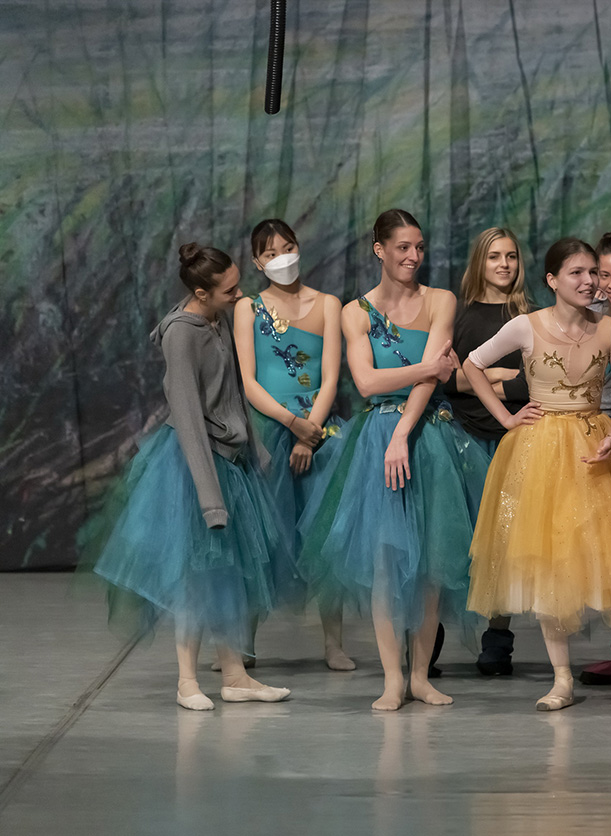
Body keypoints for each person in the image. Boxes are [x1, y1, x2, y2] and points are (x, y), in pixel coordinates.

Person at [462, 237, 611, 713]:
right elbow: (473, 363)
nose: (591, 281)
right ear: (552, 280)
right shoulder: (526, 326)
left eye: (594, 272)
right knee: (552, 559)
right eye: (578, 273)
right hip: (542, 450)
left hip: (598, 442)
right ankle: (562, 678)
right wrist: (506, 418)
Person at [82, 243, 293, 710]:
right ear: (202, 293)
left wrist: (254, 448)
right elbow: (188, 415)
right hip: (195, 466)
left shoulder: (217, 319)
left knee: (228, 573)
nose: (239, 295)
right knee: (195, 574)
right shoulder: (181, 334)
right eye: (230, 290)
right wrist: (209, 499)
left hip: (231, 460)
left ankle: (235, 675)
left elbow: (232, 391)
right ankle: (186, 681)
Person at [298, 209, 484, 711]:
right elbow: (367, 383)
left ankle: (420, 676)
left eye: (419, 247)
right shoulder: (355, 312)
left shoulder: (441, 301)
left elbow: (430, 382)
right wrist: (427, 369)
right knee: (384, 563)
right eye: (403, 247)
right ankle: (392, 680)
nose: (413, 256)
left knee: (430, 567)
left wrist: (404, 430)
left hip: (425, 436)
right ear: (379, 249)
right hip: (376, 438)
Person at [231, 218, 354, 672]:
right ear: (256, 262)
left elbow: (330, 377)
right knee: (261, 537)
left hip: (321, 434)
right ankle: (244, 641)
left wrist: (310, 430)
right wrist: (290, 423)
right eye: (270, 253)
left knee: (326, 537)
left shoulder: (328, 304)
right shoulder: (247, 309)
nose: (281, 258)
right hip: (267, 432)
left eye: (287, 248)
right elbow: (248, 382)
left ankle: (334, 643)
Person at [441, 227, 533, 677]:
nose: (504, 264)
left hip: (516, 439)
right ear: (480, 262)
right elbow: (449, 380)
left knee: (506, 542)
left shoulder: (531, 316)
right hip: (466, 437)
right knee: (459, 539)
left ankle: (498, 639)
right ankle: (431, 636)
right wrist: (495, 373)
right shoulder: (461, 318)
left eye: (511, 256)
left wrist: (488, 377)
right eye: (495, 256)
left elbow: (536, 379)